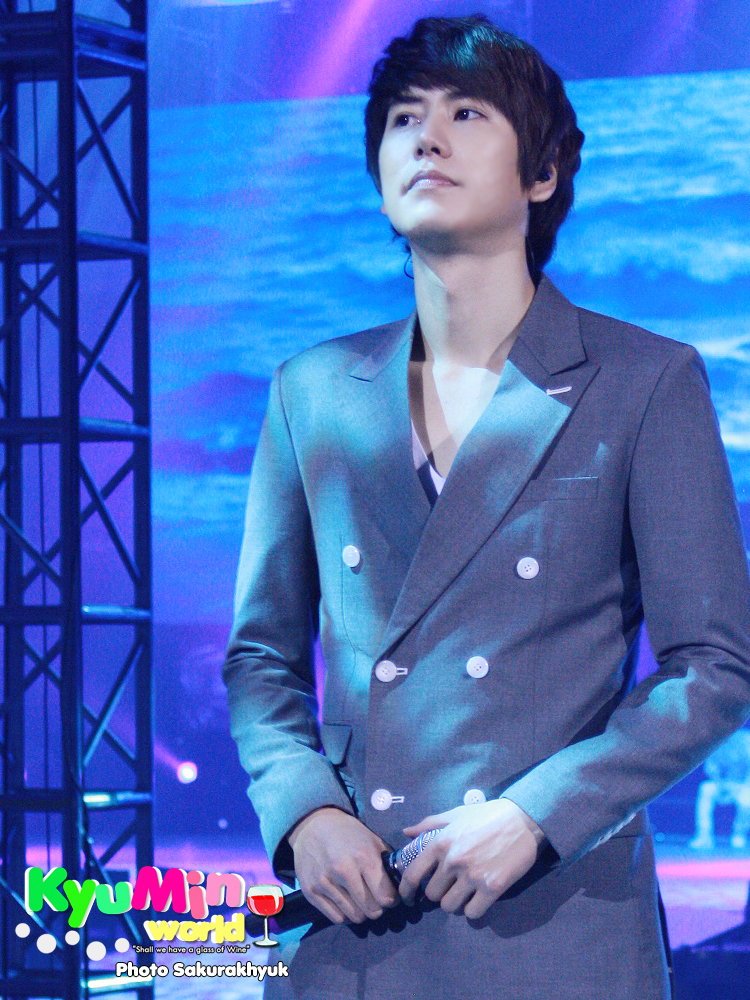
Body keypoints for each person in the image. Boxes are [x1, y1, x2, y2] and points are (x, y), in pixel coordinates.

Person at [223, 15, 750, 999]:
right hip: (352, 913)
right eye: (403, 118)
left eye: (466, 113)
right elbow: (262, 655)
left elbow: (715, 664)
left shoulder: (645, 380)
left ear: (542, 174)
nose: (426, 137)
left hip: (553, 914)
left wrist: (540, 814)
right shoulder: (310, 389)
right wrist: (303, 812)